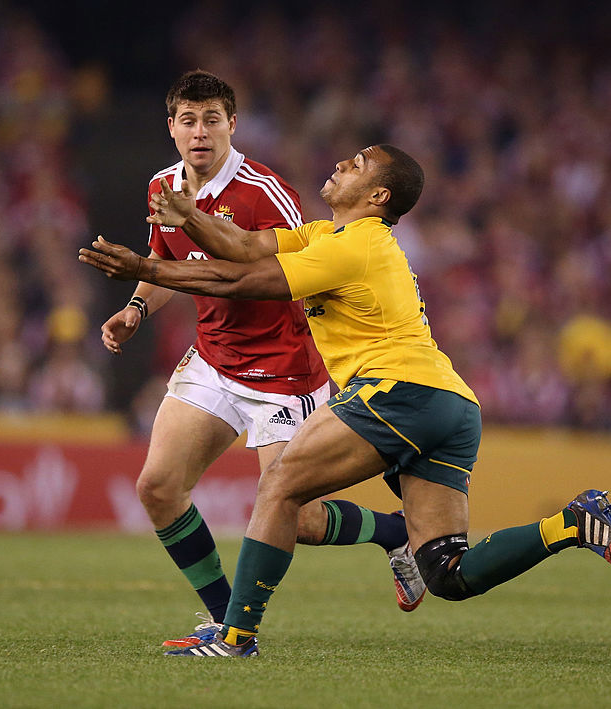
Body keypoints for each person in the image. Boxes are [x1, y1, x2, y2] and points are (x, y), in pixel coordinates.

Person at [79, 143, 611, 657]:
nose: (344, 162)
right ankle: (574, 522)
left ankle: (234, 637)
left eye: (360, 163)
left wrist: (145, 270)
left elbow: (240, 283)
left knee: (280, 486)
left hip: (397, 391)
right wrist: (192, 219)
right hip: (450, 405)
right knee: (446, 573)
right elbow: (246, 246)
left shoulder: (359, 244)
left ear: (377, 196)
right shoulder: (328, 236)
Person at [99, 72, 426, 648]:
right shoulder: (163, 186)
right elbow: (163, 253)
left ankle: (394, 531)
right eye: (188, 120)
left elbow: (271, 279)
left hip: (284, 370)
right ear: (171, 127)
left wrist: (153, 273)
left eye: (212, 120)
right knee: (156, 488)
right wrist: (137, 307)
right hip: (215, 360)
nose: (200, 133)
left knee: (295, 516)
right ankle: (226, 619)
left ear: (232, 125)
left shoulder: (265, 192)